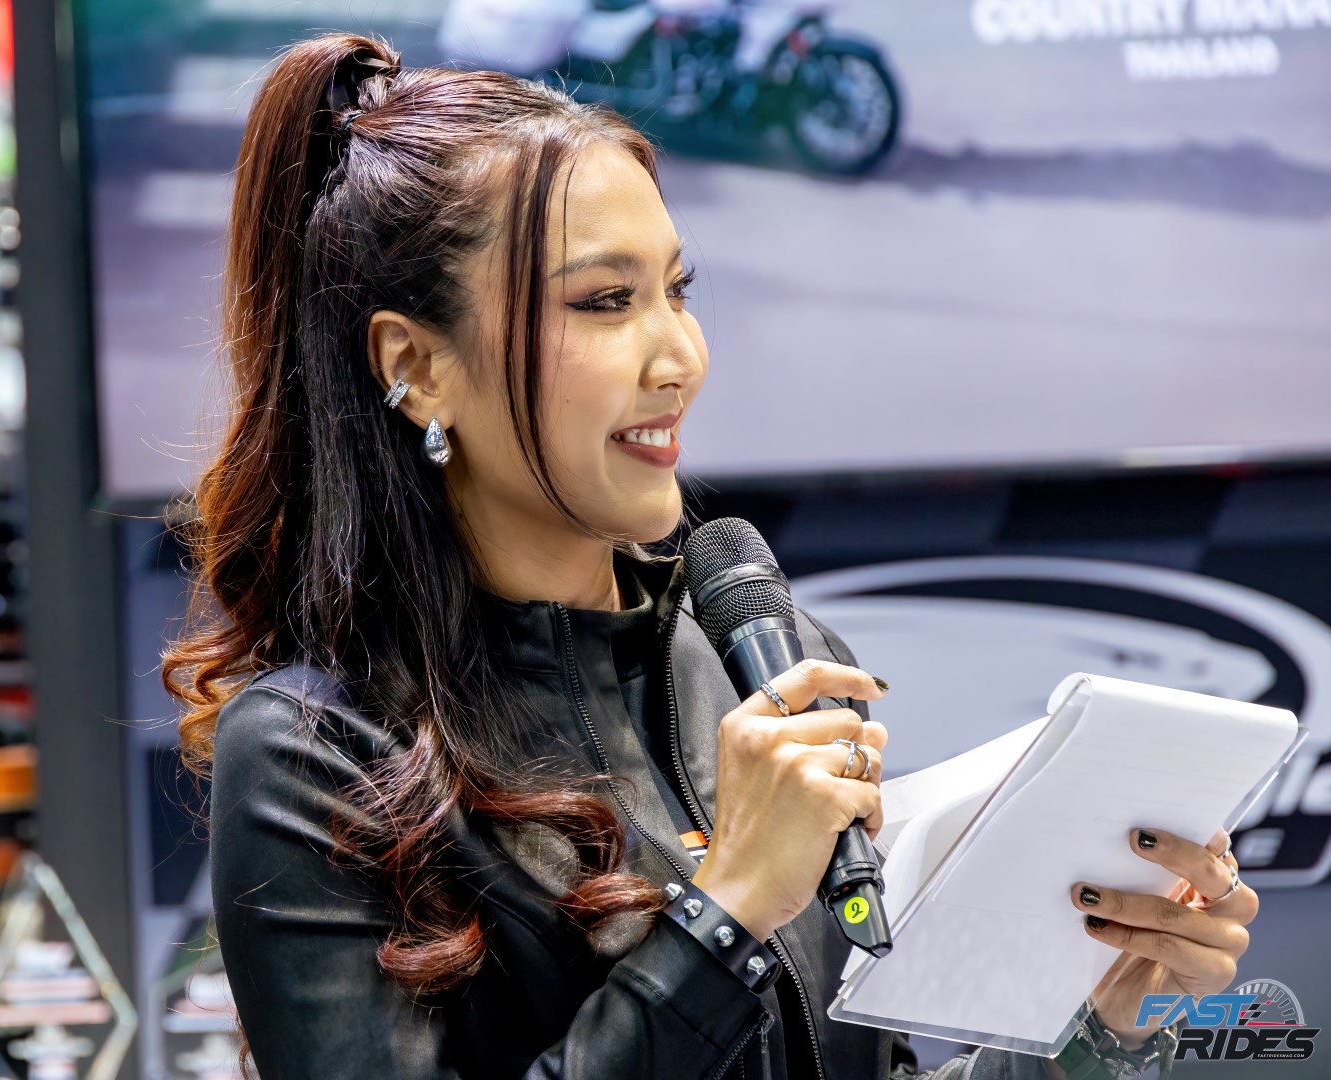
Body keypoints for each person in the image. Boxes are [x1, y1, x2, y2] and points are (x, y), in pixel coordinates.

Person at [161, 32, 1257, 1080]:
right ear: (417, 365)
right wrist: (727, 910)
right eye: (606, 302)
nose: (680, 355)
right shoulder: (320, 752)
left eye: (676, 292)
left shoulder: (763, 660)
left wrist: (1097, 1029)